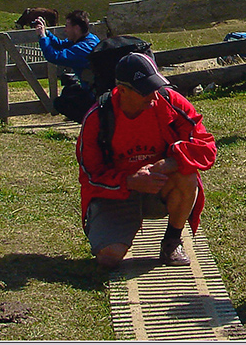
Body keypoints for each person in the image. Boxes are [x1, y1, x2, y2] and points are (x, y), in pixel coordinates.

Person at [75, 52, 217, 267]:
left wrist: (171, 163)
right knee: (108, 258)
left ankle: (172, 241)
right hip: (115, 194)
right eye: (145, 90)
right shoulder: (98, 118)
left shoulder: (170, 101)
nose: (154, 95)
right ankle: (118, 227)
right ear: (122, 91)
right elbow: (90, 175)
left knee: (186, 175)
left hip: (159, 188)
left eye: (156, 86)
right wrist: (129, 181)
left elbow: (206, 147)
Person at [35, 9, 100, 121]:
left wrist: (42, 37)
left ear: (76, 28)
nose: (65, 30)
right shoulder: (89, 39)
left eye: (67, 26)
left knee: (60, 103)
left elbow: (54, 56)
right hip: (95, 89)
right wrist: (46, 33)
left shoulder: (82, 49)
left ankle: (91, 120)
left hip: (94, 95)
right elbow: (60, 45)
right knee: (69, 90)